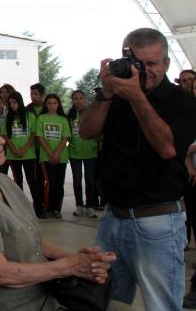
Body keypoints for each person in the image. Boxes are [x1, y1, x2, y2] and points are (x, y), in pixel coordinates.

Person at [0, 99, 115, 311]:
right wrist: (70, 266)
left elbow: (33, 240)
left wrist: (81, 260)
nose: (1, 140)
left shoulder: (1, 180)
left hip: (45, 294)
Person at [80, 28, 196, 310]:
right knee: (105, 301)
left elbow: (167, 148)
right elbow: (86, 132)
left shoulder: (182, 102)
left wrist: (136, 98)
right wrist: (106, 94)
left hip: (157, 222)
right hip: (111, 218)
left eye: (153, 64)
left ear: (167, 64)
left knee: (161, 305)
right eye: (138, 63)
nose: (145, 71)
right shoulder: (117, 95)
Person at [4, 92, 43, 217]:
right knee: (17, 181)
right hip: (12, 155)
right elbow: (5, 136)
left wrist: (24, 149)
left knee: (33, 181)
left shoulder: (30, 116)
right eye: (10, 103)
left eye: (14, 103)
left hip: (29, 155)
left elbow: (33, 135)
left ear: (20, 102)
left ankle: (38, 208)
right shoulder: (7, 118)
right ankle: (20, 208)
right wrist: (14, 149)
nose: (12, 105)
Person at [35, 94, 70, 219]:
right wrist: (50, 153)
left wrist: (57, 153)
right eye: (49, 103)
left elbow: (65, 137)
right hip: (46, 157)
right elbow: (40, 137)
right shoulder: (41, 118)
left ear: (58, 104)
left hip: (61, 156)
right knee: (50, 182)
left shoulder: (63, 120)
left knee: (59, 183)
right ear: (46, 105)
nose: (52, 106)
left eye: (55, 103)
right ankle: (48, 207)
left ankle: (57, 209)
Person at [66, 90, 98, 218]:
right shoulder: (69, 116)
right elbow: (66, 134)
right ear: (72, 100)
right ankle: (79, 205)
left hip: (91, 152)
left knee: (90, 181)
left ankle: (90, 206)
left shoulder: (92, 113)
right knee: (77, 181)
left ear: (85, 99)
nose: (78, 101)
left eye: (81, 98)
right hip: (75, 153)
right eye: (75, 98)